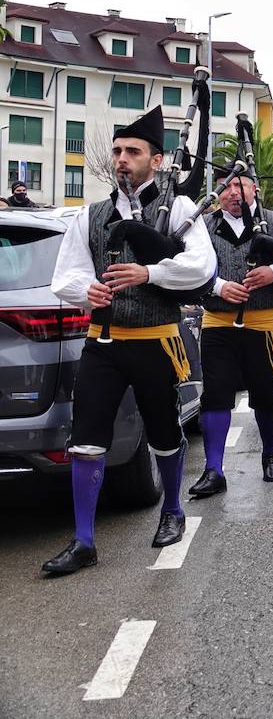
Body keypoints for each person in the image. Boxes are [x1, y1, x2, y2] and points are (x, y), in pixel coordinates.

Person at [41, 106, 217, 575]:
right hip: (102, 341)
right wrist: (87, 290)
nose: (122, 159)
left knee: (163, 430)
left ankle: (173, 511)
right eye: (118, 151)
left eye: (132, 152)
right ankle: (83, 541)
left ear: (155, 161)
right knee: (86, 440)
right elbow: (66, 278)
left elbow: (202, 267)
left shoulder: (178, 209)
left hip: (156, 340)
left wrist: (150, 271)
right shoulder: (91, 216)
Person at [189, 169, 273, 498]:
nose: (233, 192)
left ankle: (270, 454)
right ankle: (214, 469)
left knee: (266, 393)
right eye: (228, 185)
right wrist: (217, 286)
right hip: (217, 321)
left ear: (255, 189)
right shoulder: (205, 225)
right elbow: (187, 263)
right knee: (215, 395)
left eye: (241, 185)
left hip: (264, 322)